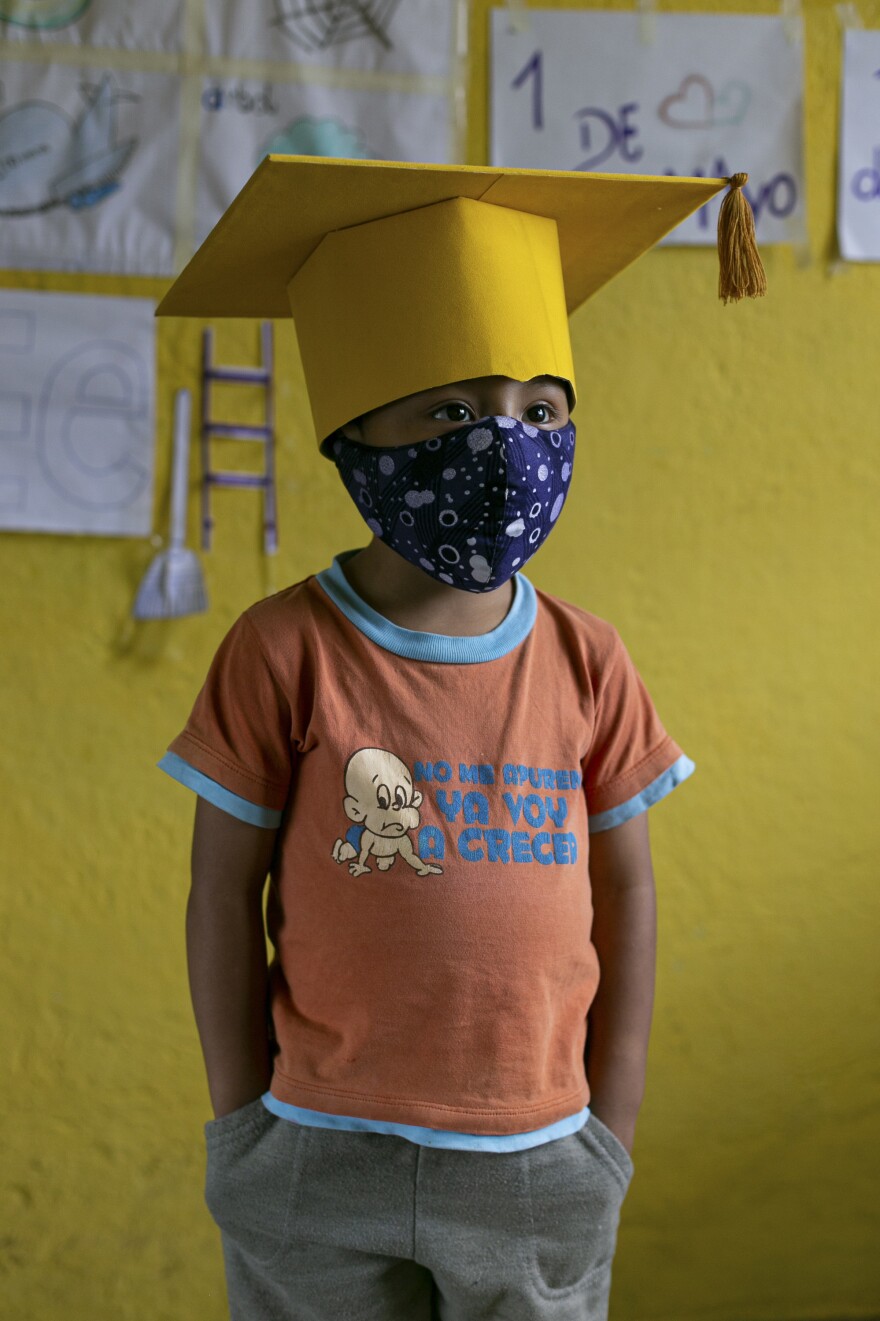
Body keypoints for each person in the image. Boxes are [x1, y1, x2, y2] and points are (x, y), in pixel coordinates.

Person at [157, 156, 763, 1320]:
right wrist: (242, 1124)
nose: (506, 445)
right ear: (353, 433)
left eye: (540, 411)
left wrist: (609, 1130)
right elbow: (220, 893)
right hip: (317, 1151)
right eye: (451, 409)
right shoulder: (281, 647)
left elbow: (626, 895)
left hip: (541, 1160)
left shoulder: (590, 658)